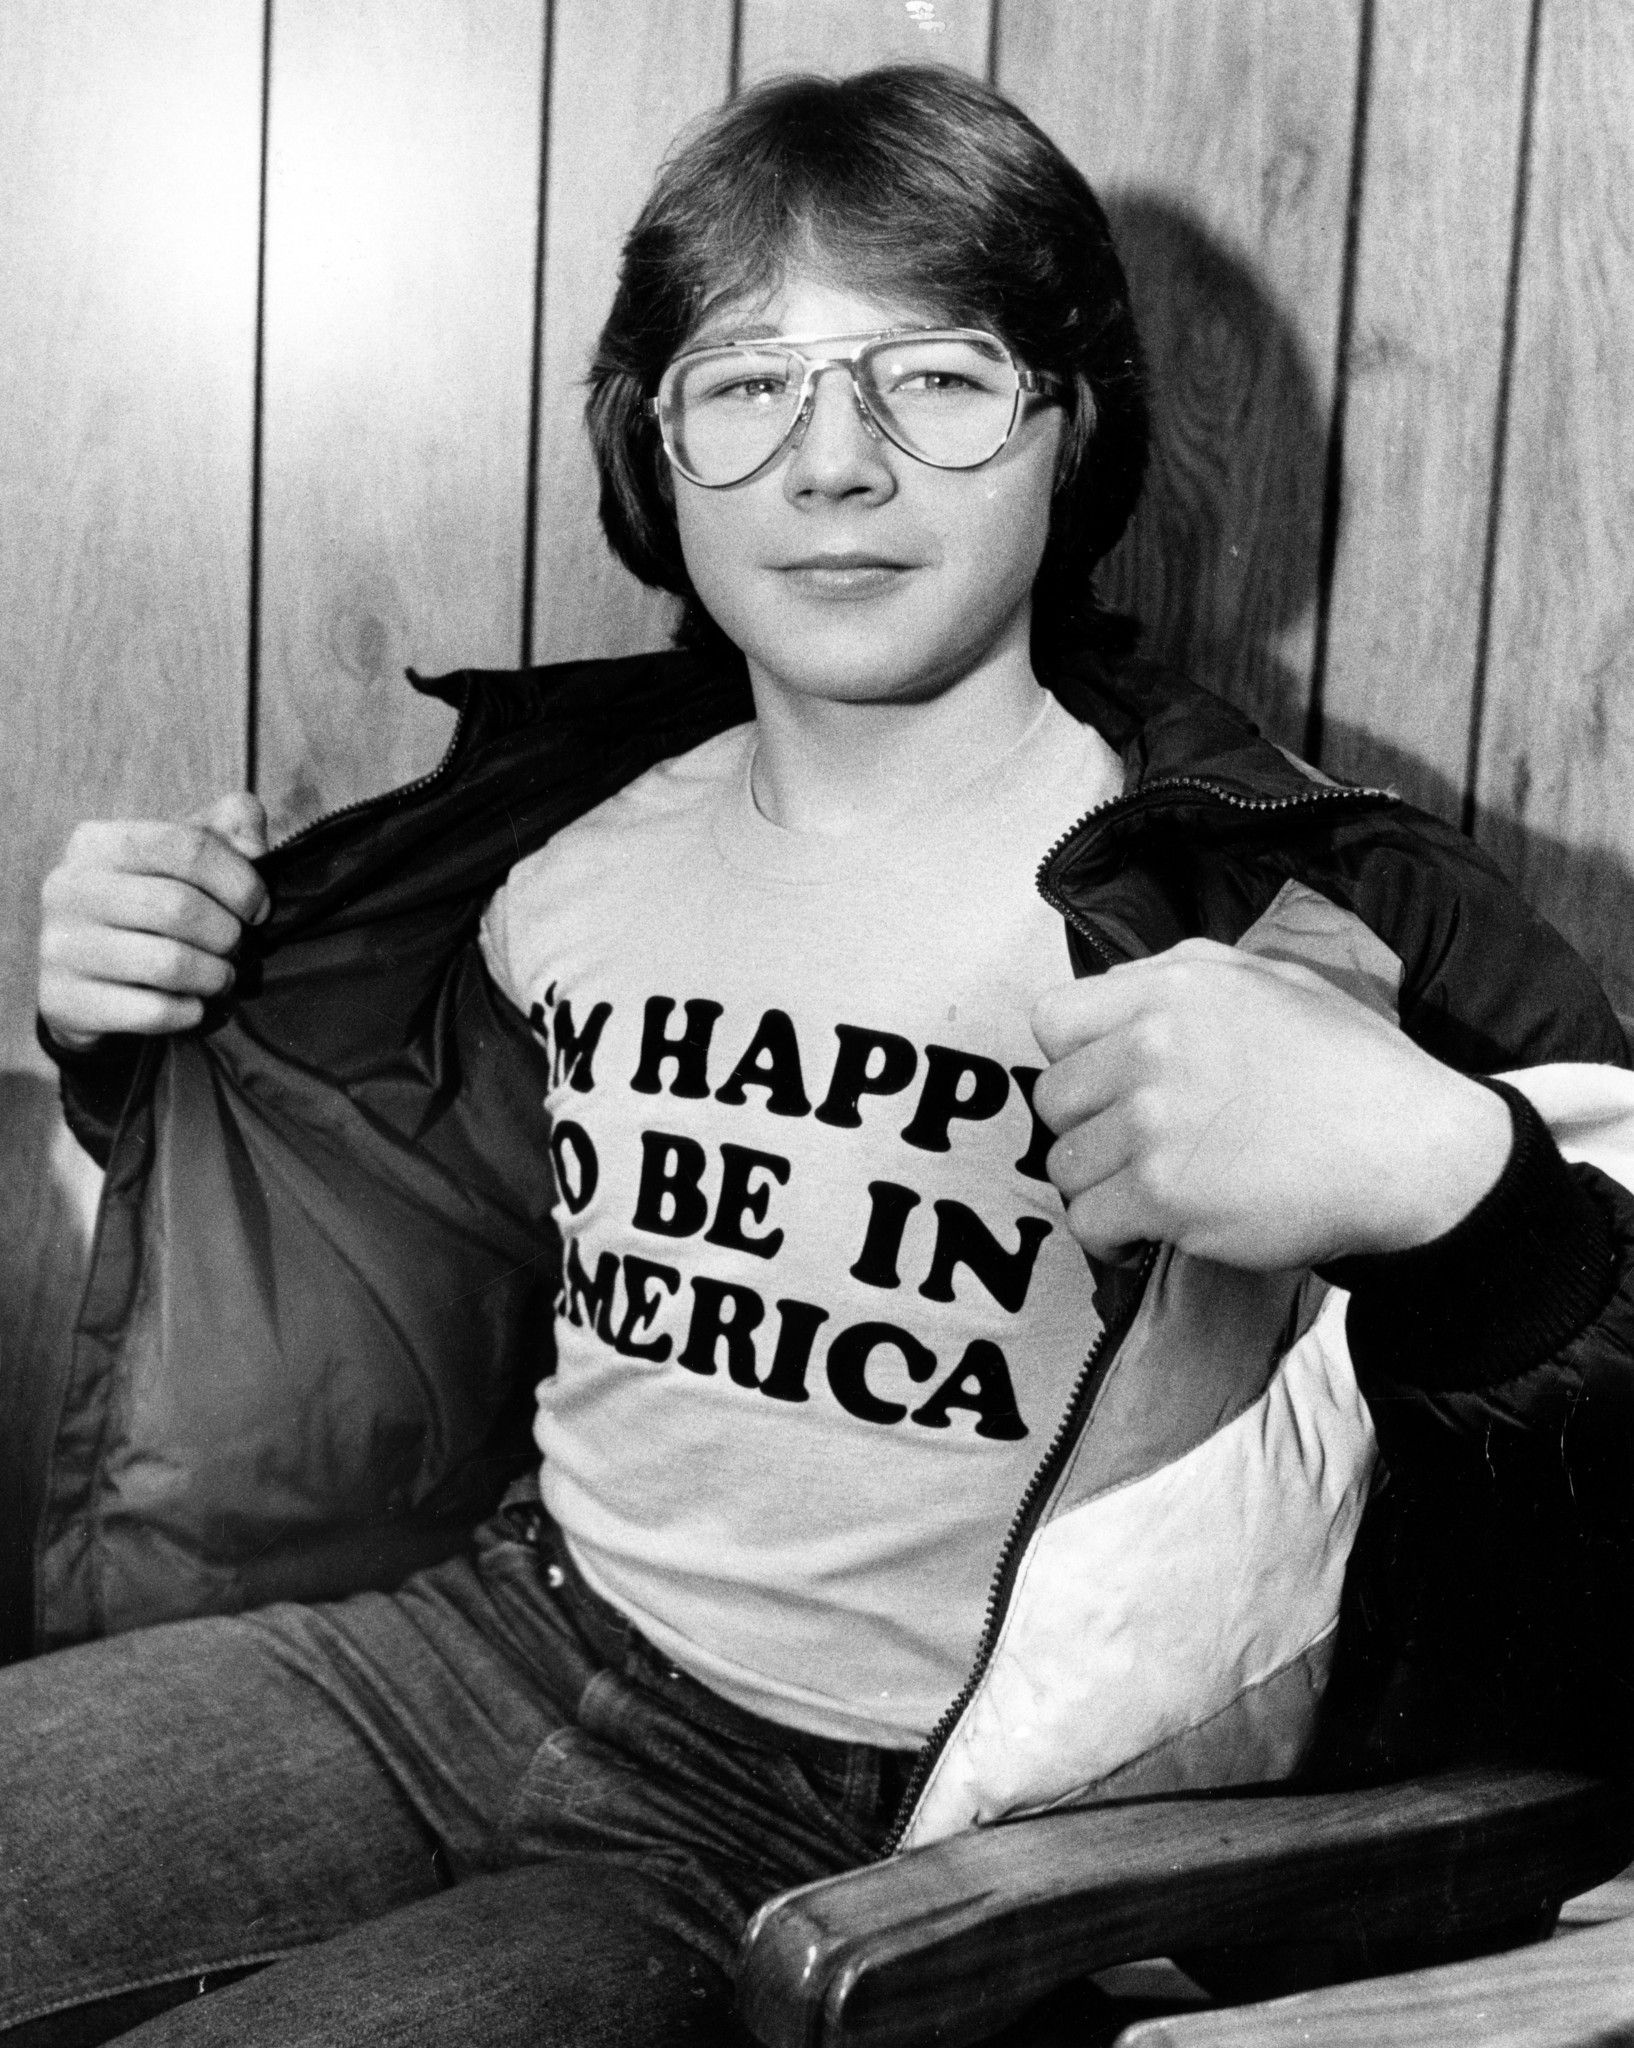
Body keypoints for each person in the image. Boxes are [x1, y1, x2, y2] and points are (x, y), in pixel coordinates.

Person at [10, 63, 1634, 2048]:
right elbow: (375, 1255)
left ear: (1071, 432)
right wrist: (127, 1039)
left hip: (856, 1842)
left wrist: (1465, 1204)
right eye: (745, 384)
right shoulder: (539, 861)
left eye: (935, 379)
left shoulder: (1313, 908)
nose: (832, 464)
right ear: (654, 451)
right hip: (489, 1639)